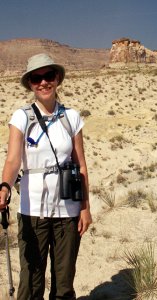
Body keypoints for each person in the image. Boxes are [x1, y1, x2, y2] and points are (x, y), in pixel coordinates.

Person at [0, 53, 92, 299]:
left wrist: (85, 208)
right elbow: (13, 160)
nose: (43, 83)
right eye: (36, 78)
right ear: (30, 84)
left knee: (63, 285)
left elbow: (80, 165)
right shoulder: (22, 117)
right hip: (33, 212)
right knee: (31, 284)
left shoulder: (71, 117)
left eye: (48, 76)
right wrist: (5, 186)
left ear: (58, 78)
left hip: (68, 212)